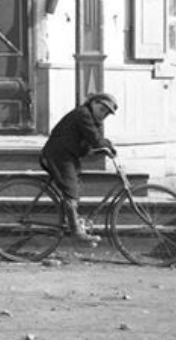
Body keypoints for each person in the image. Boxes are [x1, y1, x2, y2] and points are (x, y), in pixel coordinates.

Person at [40, 92, 118, 242]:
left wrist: (105, 145)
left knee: (74, 186)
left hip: (68, 155)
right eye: (102, 110)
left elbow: (94, 140)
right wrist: (107, 146)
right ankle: (76, 231)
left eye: (107, 114)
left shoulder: (92, 118)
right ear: (93, 103)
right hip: (59, 156)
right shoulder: (83, 114)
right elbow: (95, 140)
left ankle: (73, 220)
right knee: (71, 190)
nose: (103, 115)